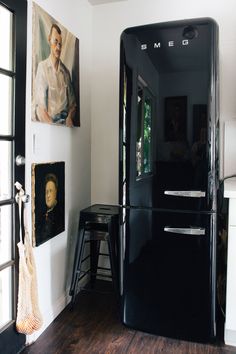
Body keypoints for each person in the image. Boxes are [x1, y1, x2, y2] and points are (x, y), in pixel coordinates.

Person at [34, 23, 76, 127]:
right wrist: (53, 127)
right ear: (49, 40)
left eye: (60, 44)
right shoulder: (42, 68)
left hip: (64, 125)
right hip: (50, 124)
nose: (58, 47)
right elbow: (40, 108)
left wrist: (69, 117)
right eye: (55, 42)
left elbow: (73, 105)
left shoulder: (66, 73)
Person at [37, 173, 64, 245]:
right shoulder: (41, 216)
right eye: (46, 192)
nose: (48, 195)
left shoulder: (60, 215)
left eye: (51, 191)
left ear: (56, 192)